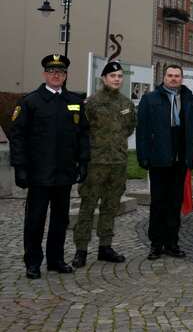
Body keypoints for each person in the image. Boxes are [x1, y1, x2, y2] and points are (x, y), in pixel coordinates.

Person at [8, 54, 90, 279]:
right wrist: (20, 168)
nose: (56, 75)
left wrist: (83, 162)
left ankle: (56, 260)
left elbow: (83, 134)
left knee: (60, 220)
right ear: (45, 74)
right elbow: (18, 137)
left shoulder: (73, 101)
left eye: (61, 72)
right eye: (52, 72)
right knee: (35, 219)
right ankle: (33, 262)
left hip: (64, 172)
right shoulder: (30, 101)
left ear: (65, 76)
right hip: (39, 172)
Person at [72, 61, 136, 268]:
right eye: (112, 76)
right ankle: (80, 249)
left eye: (119, 76)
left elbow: (129, 129)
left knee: (110, 206)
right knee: (88, 206)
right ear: (103, 79)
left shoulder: (127, 103)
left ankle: (105, 247)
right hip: (95, 163)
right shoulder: (91, 103)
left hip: (117, 163)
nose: (116, 79)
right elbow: (82, 131)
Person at [136, 65, 193, 260]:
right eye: (170, 75)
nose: (173, 79)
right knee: (158, 203)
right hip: (158, 159)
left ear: (182, 78)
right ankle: (156, 244)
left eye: (177, 76)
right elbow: (142, 130)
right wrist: (143, 156)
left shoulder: (190, 100)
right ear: (163, 77)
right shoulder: (150, 99)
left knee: (174, 203)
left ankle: (172, 243)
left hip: (180, 160)